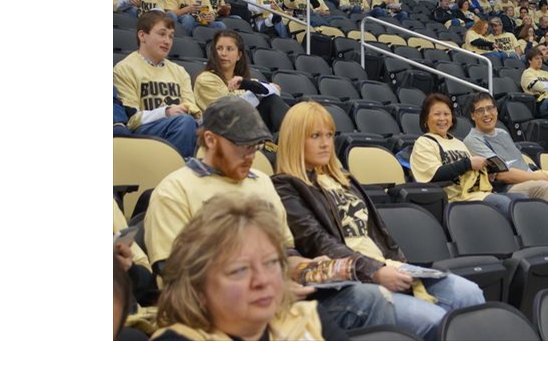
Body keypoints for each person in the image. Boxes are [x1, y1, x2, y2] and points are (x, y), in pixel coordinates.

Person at [144, 96, 396, 332]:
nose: (251, 156)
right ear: (211, 140)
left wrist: (306, 268)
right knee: (368, 301)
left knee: (369, 298)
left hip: (277, 301)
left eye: (256, 147)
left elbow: (286, 252)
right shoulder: (174, 191)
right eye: (243, 146)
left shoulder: (262, 182)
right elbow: (176, 276)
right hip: (213, 312)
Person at [272, 102, 485, 339]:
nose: (325, 143)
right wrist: (374, 271)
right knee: (436, 321)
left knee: (469, 293)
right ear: (295, 140)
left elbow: (378, 233)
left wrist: (399, 265)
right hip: (348, 279)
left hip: (383, 265)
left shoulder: (344, 179)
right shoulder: (285, 185)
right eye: (315, 136)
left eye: (329, 135)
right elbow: (317, 242)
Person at [151, 194, 328, 341]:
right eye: (239, 270)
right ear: (197, 287)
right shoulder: (177, 342)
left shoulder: (310, 321)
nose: (262, 280)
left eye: (271, 263)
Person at [463, 93, 548, 206]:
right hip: (506, 187)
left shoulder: (502, 133)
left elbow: (519, 163)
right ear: (473, 115)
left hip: (528, 177)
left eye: (490, 108)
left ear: (496, 111)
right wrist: (539, 177)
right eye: (480, 110)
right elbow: (502, 175)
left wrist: (539, 175)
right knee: (544, 187)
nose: (486, 114)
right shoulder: (472, 140)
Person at [409, 93, 520, 216]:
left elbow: (468, 172)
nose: (442, 119)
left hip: (476, 194)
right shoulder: (424, 142)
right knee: (504, 203)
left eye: (446, 114)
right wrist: (468, 163)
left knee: (521, 199)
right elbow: (435, 174)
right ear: (425, 119)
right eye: (437, 114)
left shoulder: (458, 143)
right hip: (454, 199)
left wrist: (485, 174)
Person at [113, 12, 200, 157]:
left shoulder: (179, 71)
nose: (167, 41)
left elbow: (189, 105)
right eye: (162, 34)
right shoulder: (124, 69)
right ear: (142, 36)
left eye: (171, 36)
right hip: (144, 132)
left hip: (181, 123)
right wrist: (165, 112)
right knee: (184, 123)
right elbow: (132, 120)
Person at [193, 30, 287, 136]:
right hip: (220, 132)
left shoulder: (243, 81)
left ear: (239, 55)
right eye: (219, 49)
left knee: (272, 100)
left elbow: (276, 90)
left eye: (229, 49)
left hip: (246, 130)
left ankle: (293, 140)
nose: (223, 53)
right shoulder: (205, 79)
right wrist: (255, 89)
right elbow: (228, 109)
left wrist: (251, 86)